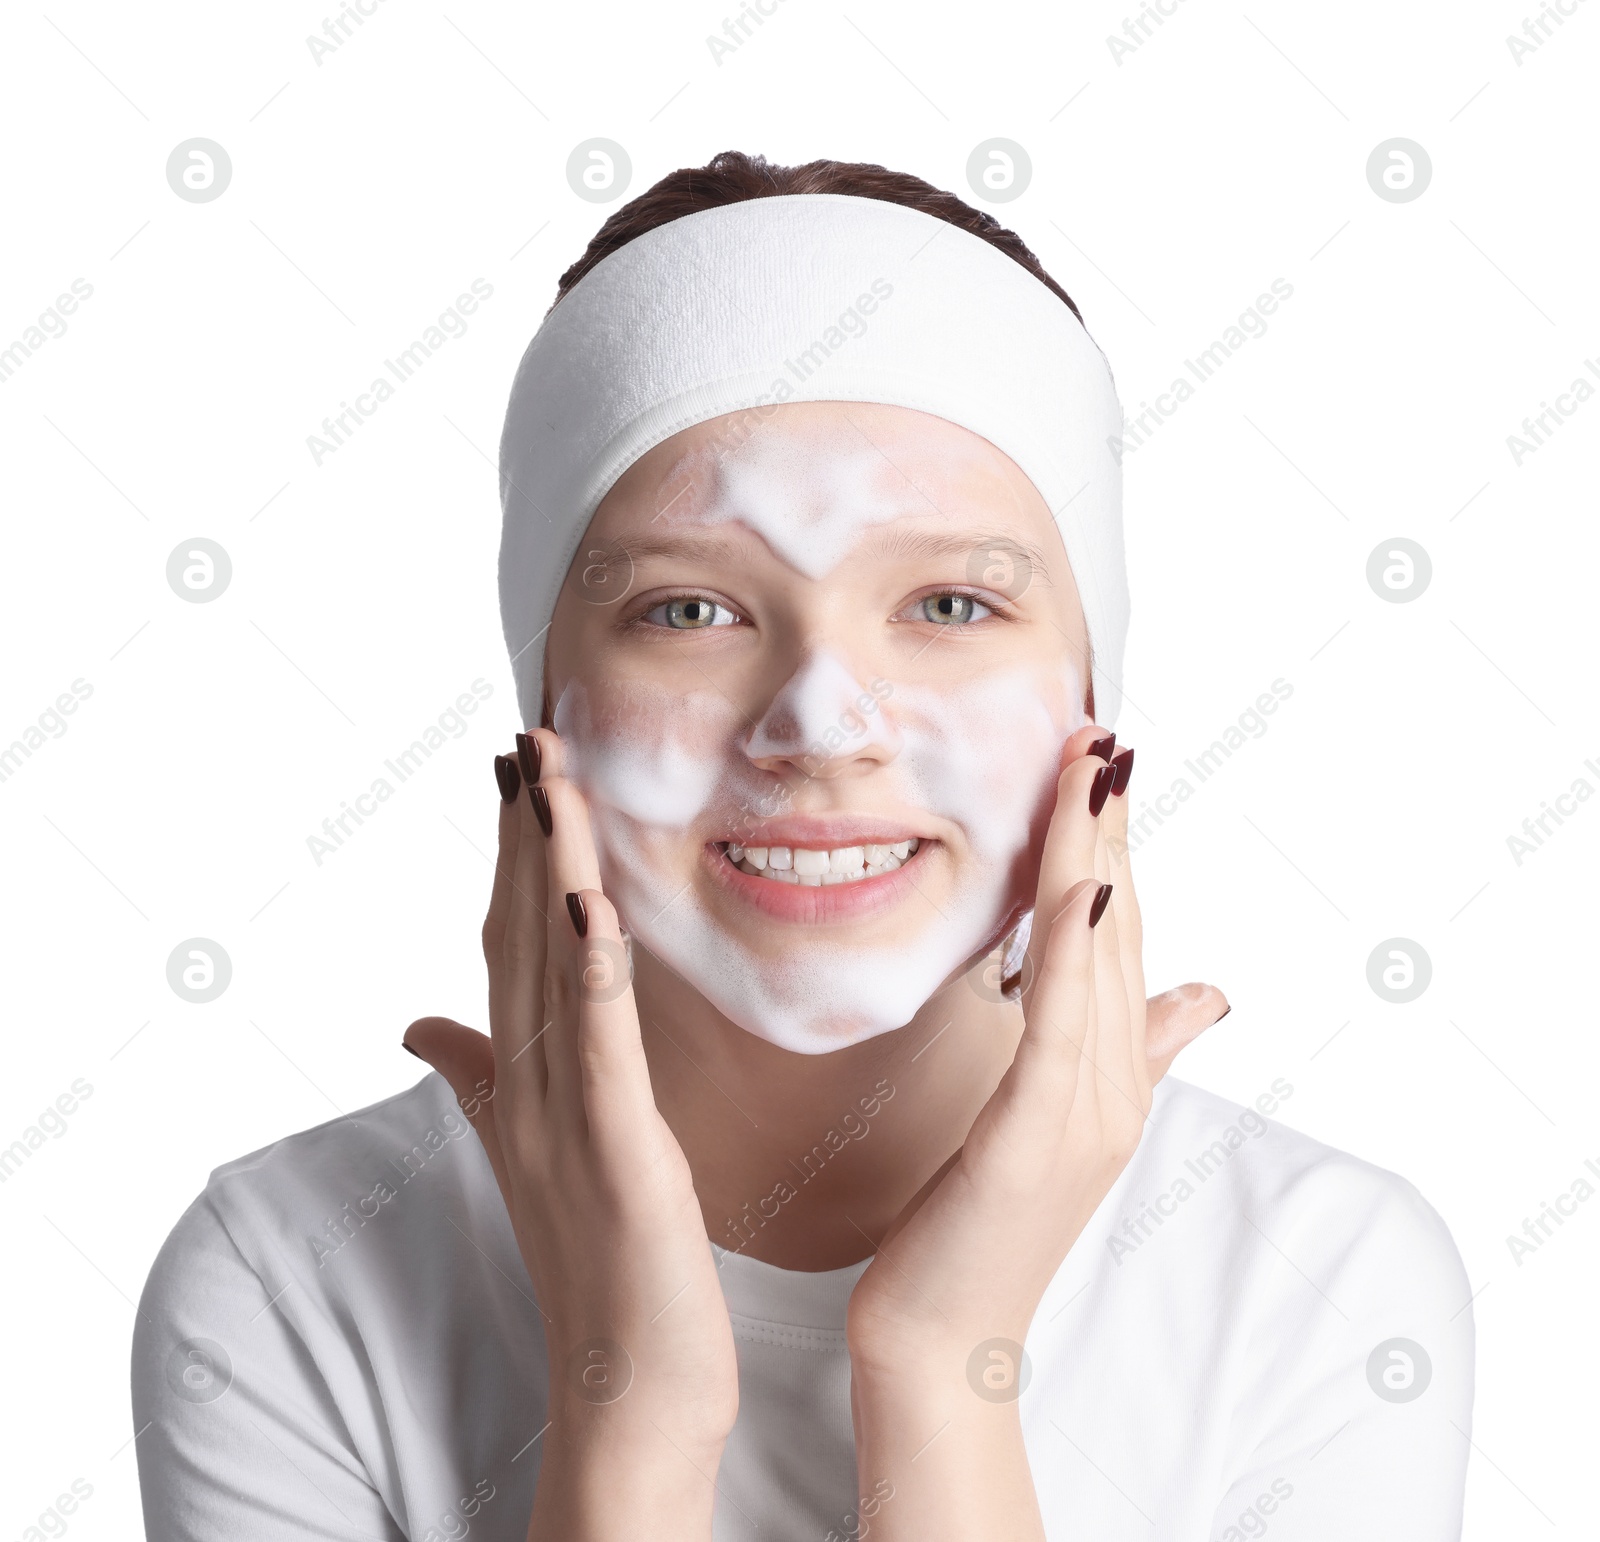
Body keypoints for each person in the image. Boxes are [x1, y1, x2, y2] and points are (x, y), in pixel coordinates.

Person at [132, 151, 1473, 1541]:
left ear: (1094, 699)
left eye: (952, 603)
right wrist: (629, 1403)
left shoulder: (1319, 1282)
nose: (824, 727)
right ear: (546, 711)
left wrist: (948, 1369)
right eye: (690, 611)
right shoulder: (299, 1273)